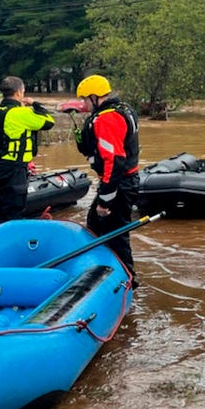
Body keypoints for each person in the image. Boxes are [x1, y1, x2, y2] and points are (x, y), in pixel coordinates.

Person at [75, 74, 141, 283]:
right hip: (122, 181)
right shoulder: (122, 109)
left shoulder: (106, 119)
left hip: (119, 183)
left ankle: (127, 280)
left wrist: (105, 200)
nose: (84, 104)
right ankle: (101, 270)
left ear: (94, 97)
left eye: (85, 99)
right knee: (94, 225)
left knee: (116, 234)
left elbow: (114, 161)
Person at [0, 76, 55, 224]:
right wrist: (34, 103)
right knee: (14, 212)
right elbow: (49, 121)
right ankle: (14, 237)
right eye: (23, 91)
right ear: (18, 93)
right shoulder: (20, 113)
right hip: (13, 170)